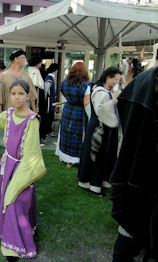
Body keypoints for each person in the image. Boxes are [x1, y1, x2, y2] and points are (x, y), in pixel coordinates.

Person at [0, 79, 46, 260]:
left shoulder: (32, 120)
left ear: (28, 96)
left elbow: (32, 151)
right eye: (13, 94)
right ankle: (15, 232)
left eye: (21, 94)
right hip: (6, 165)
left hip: (23, 167)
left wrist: (23, 174)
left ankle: (13, 246)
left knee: (14, 202)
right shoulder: (8, 115)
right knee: (6, 201)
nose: (17, 97)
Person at [110, 67, 158, 262]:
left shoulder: (142, 80)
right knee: (132, 224)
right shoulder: (146, 81)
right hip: (140, 170)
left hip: (134, 169)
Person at [77, 67, 122, 195]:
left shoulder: (105, 91)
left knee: (104, 155)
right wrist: (113, 100)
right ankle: (92, 183)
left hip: (104, 127)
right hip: (99, 128)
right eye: (115, 79)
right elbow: (100, 110)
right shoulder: (100, 91)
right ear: (108, 77)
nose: (115, 82)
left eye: (117, 80)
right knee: (96, 155)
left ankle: (100, 180)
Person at [55, 62, 90, 168]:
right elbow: (86, 103)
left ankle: (67, 159)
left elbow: (62, 92)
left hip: (68, 109)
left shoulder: (65, 83)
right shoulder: (86, 85)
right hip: (80, 112)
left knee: (67, 134)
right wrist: (91, 116)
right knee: (78, 136)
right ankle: (75, 160)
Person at [0, 49, 37, 113]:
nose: (25, 60)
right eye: (23, 58)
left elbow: (32, 94)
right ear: (16, 59)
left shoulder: (26, 75)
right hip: (9, 114)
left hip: (24, 114)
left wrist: (34, 111)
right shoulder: (3, 76)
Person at [27, 55, 47, 141]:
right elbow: (36, 83)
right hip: (36, 95)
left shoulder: (27, 70)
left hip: (31, 95)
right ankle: (36, 137)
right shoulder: (34, 71)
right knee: (37, 115)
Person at [44, 63, 58, 137]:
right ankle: (48, 130)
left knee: (51, 115)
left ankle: (48, 130)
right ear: (55, 70)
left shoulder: (50, 77)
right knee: (49, 116)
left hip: (51, 100)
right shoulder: (49, 78)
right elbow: (46, 90)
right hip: (49, 100)